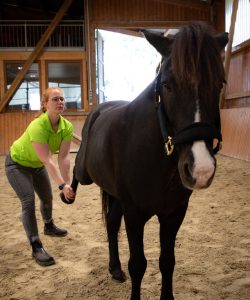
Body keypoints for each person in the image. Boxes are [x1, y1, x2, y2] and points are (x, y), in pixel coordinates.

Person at [5, 87, 76, 266]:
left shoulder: (66, 126)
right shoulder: (38, 125)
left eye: (61, 99)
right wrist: (61, 185)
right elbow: (47, 159)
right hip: (17, 164)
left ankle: (49, 226)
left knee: (47, 198)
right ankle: (36, 246)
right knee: (28, 200)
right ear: (45, 104)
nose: (60, 102)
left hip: (36, 166)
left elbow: (64, 157)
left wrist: (67, 183)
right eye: (55, 99)